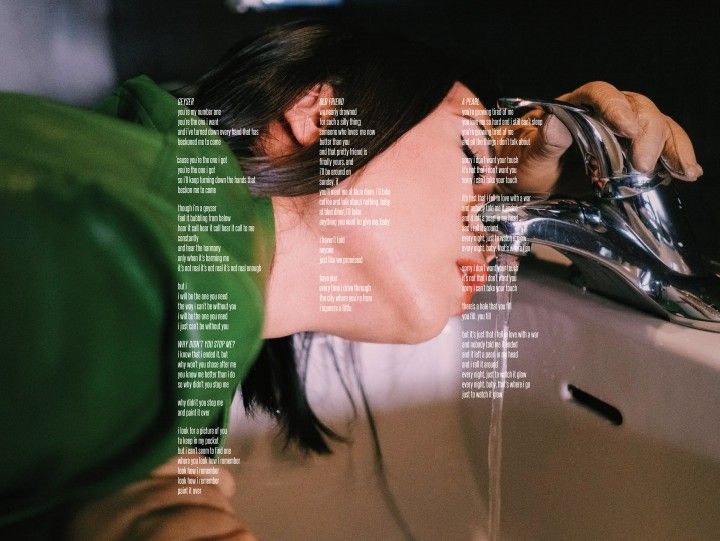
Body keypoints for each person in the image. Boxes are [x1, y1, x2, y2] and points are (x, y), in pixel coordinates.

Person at [0, 21, 701, 540]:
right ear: (315, 114)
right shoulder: (159, 259)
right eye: (470, 157)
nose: (490, 218)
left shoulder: (177, 226)